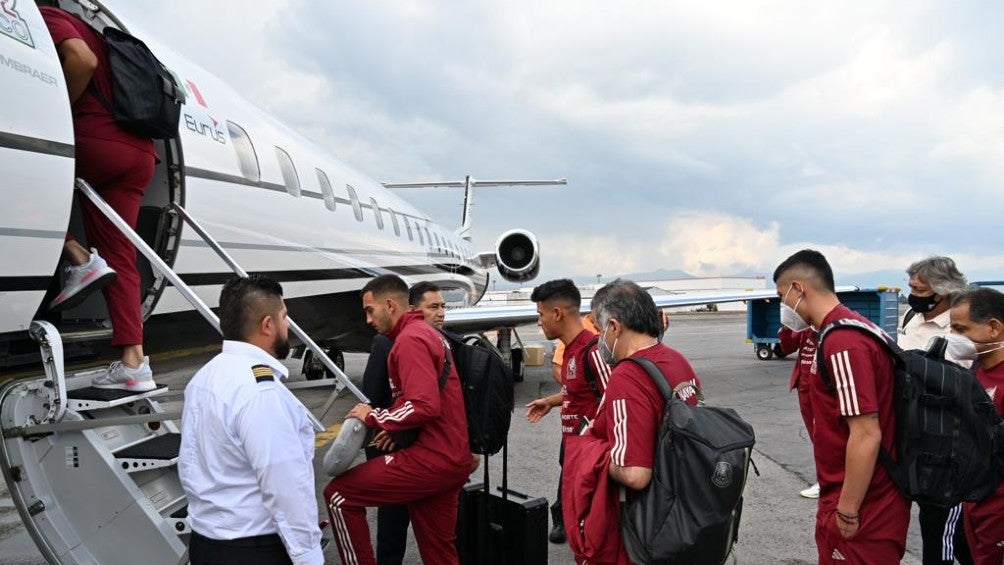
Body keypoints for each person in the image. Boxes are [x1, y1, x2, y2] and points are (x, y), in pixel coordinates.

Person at [40, 7, 158, 392]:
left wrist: (58, 115)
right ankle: (134, 363)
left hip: (98, 140)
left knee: (18, 178)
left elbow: (80, 59)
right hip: (140, 155)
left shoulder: (46, 14)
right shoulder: (99, 32)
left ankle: (76, 256)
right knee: (121, 257)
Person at [325, 275, 472, 565]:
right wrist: (398, 425)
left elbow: (424, 405)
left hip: (432, 458)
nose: (368, 320)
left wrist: (376, 415)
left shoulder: (410, 340)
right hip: (452, 458)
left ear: (390, 305)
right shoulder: (427, 334)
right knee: (440, 553)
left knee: (338, 496)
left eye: (370, 310)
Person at [773, 250, 910, 564]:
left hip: (863, 504)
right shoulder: (842, 330)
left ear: (798, 288)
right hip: (848, 493)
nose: (783, 306)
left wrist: (847, 511)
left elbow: (866, 433)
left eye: (782, 296)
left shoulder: (843, 342)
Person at [177, 275, 322, 565]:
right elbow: (284, 483)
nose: (288, 325)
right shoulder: (261, 392)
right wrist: (308, 555)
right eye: (284, 317)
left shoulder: (204, 378)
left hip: (207, 544)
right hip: (253, 549)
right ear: (267, 325)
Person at [568, 279, 701, 563]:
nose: (599, 340)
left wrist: (591, 452)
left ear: (615, 328)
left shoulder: (628, 377)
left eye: (601, 330)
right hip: (682, 511)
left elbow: (634, 473)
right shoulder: (677, 360)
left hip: (643, 526)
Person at [357, 281, 447, 565]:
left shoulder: (441, 341)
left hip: (430, 452)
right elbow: (375, 397)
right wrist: (393, 431)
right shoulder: (386, 342)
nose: (441, 314)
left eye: (443, 307)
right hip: (394, 450)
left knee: (438, 534)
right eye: (433, 307)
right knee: (392, 530)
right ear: (412, 310)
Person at [525, 279, 609, 545]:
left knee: (596, 537)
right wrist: (552, 400)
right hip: (574, 453)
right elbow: (581, 391)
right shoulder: (570, 350)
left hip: (593, 458)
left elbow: (618, 401)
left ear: (557, 313)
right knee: (577, 531)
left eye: (541, 314)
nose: (539, 322)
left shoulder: (594, 351)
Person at [900, 256, 972, 565]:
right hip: (911, 435)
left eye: (919, 288)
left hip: (945, 444)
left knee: (943, 529)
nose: (912, 293)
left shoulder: (962, 330)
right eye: (910, 286)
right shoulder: (909, 317)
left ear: (941, 292)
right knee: (929, 522)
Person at [949, 288, 1004, 565]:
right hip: (975, 501)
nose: (954, 338)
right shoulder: (973, 372)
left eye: (960, 329)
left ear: (993, 328)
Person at [778, 325, 821, 498]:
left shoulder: (826, 323)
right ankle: (825, 479)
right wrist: (786, 327)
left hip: (819, 388)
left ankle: (826, 482)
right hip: (803, 386)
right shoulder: (803, 324)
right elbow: (787, 347)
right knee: (814, 436)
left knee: (822, 436)